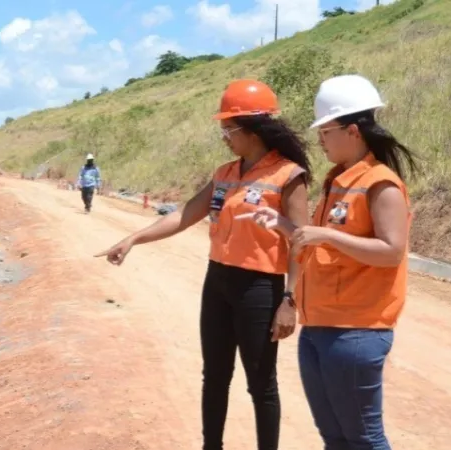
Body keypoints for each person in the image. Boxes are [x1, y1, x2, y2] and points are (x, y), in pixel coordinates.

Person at [95, 79, 312, 450]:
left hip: (259, 289)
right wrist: (133, 239)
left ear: (251, 129)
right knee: (214, 377)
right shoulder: (225, 174)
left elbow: (301, 243)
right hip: (219, 283)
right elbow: (185, 215)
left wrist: (289, 301)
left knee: (261, 384)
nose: (224, 137)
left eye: (228, 129)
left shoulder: (288, 176)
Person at [240, 74, 417, 449]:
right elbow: (322, 246)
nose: (319, 140)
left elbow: (392, 252)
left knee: (364, 438)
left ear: (352, 130)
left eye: (326, 131)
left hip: (356, 331)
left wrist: (327, 235)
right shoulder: (337, 181)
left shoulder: (381, 184)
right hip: (319, 326)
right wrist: (285, 225)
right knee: (335, 437)